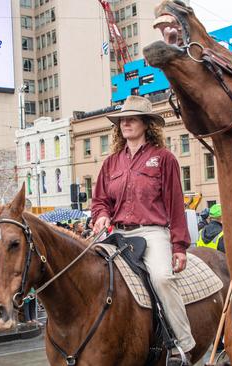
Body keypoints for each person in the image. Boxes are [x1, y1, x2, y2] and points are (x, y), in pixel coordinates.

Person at [92, 95, 194, 364]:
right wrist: (101, 216)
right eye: (122, 119)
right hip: (117, 234)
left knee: (162, 278)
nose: (125, 123)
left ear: (147, 124)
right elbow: (100, 200)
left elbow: (175, 205)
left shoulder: (164, 159)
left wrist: (179, 246)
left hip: (152, 232)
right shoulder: (111, 162)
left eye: (132, 118)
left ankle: (182, 345)